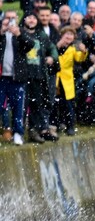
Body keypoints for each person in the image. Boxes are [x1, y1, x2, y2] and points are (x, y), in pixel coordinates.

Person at [22, 11, 58, 143]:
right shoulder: (20, 34)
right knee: (24, 103)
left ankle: (37, 129)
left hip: (39, 74)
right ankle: (21, 131)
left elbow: (52, 47)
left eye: (33, 18)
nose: (31, 20)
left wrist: (52, 58)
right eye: (29, 18)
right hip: (23, 75)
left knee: (38, 103)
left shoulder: (41, 35)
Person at [1, 10, 33, 146]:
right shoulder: (1, 34)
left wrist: (19, 34)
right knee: (2, 106)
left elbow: (30, 45)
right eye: (8, 18)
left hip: (17, 78)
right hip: (2, 77)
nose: (10, 21)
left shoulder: (21, 33)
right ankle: (6, 129)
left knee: (18, 107)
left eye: (13, 18)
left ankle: (18, 133)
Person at [53, 26, 86, 136]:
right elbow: (52, 55)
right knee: (55, 103)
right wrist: (58, 45)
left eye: (71, 35)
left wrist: (84, 51)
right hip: (56, 78)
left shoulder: (72, 49)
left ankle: (70, 126)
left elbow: (79, 58)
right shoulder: (55, 46)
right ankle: (55, 124)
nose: (68, 36)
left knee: (68, 104)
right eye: (66, 34)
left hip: (67, 79)